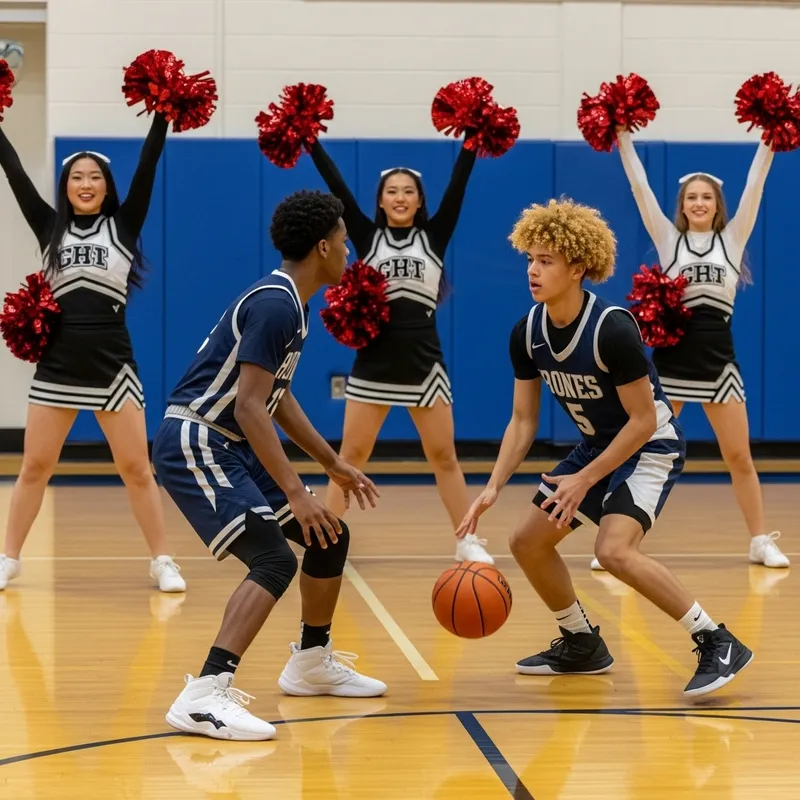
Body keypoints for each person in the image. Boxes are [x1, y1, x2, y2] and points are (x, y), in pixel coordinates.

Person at [457, 198, 753, 697]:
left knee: (614, 550)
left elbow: (642, 421)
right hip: (597, 448)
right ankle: (581, 642)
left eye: (546, 260)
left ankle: (717, 640)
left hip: (651, 446)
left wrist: (584, 479)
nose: (532, 270)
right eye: (530, 259)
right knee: (527, 541)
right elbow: (523, 420)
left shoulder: (612, 329)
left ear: (577, 268)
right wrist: (492, 487)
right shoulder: (527, 332)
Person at [153, 190, 387, 741]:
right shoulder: (277, 304)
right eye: (345, 240)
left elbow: (275, 398)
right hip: (198, 439)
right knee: (274, 559)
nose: (350, 250)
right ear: (323, 246)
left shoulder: (288, 303)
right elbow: (249, 407)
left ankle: (309, 662)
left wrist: (332, 463)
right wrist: (297, 493)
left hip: (229, 442)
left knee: (328, 537)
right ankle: (204, 693)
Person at [0, 111, 184, 593]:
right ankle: (8, 558)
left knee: (136, 468)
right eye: (77, 177)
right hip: (57, 365)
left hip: (112, 366)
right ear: (65, 187)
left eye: (95, 177)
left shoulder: (123, 227)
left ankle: (162, 560)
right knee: (34, 467)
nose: (85, 184)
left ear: (107, 187)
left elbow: (148, 164)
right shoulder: (48, 227)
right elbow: (14, 171)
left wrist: (162, 112)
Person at [305, 140, 492, 564]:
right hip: (375, 363)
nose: (401, 197)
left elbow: (458, 185)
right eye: (392, 191)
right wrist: (310, 141)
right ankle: (325, 543)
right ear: (380, 200)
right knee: (348, 458)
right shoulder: (367, 236)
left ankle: (466, 539)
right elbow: (337, 186)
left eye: (409, 191)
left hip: (424, 363)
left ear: (420, 200)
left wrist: (470, 139)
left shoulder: (434, 236)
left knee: (444, 457)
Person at [609, 127, 788, 571]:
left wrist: (770, 136)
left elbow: (756, 184)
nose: (699, 203)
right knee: (646, 451)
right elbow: (640, 189)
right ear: (683, 205)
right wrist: (622, 138)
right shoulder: (670, 241)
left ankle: (759, 541)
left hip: (719, 364)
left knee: (739, 456)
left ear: (717, 204)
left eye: (706, 197)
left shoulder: (733, 240)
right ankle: (618, 537)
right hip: (672, 362)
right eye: (692, 197)